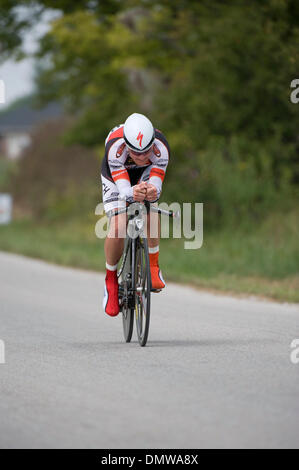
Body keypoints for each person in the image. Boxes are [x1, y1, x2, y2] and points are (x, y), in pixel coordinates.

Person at [101, 113, 170, 316]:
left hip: (146, 173)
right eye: (136, 153)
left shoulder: (161, 148)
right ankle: (111, 280)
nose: (141, 157)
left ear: (153, 143)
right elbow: (123, 191)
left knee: (151, 205)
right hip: (116, 174)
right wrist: (131, 192)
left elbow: (157, 185)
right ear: (126, 144)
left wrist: (150, 192)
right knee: (118, 224)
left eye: (146, 152)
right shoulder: (115, 148)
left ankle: (153, 265)